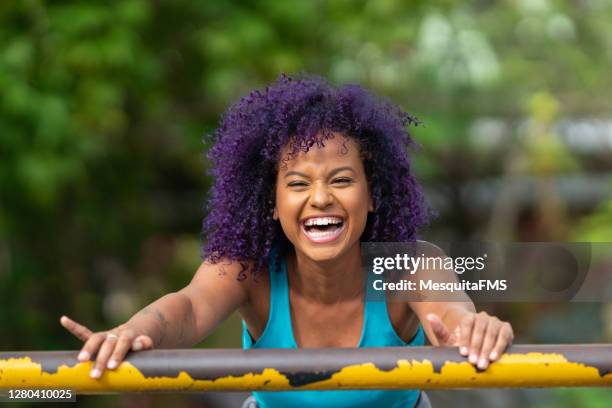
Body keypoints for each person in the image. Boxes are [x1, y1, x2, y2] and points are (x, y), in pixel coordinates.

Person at [60, 75, 514, 408]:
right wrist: (135, 331)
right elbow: (188, 307)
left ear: (373, 194)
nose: (320, 198)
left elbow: (453, 317)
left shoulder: (410, 266)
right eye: (298, 183)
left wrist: (472, 332)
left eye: (341, 179)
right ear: (272, 203)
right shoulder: (249, 267)